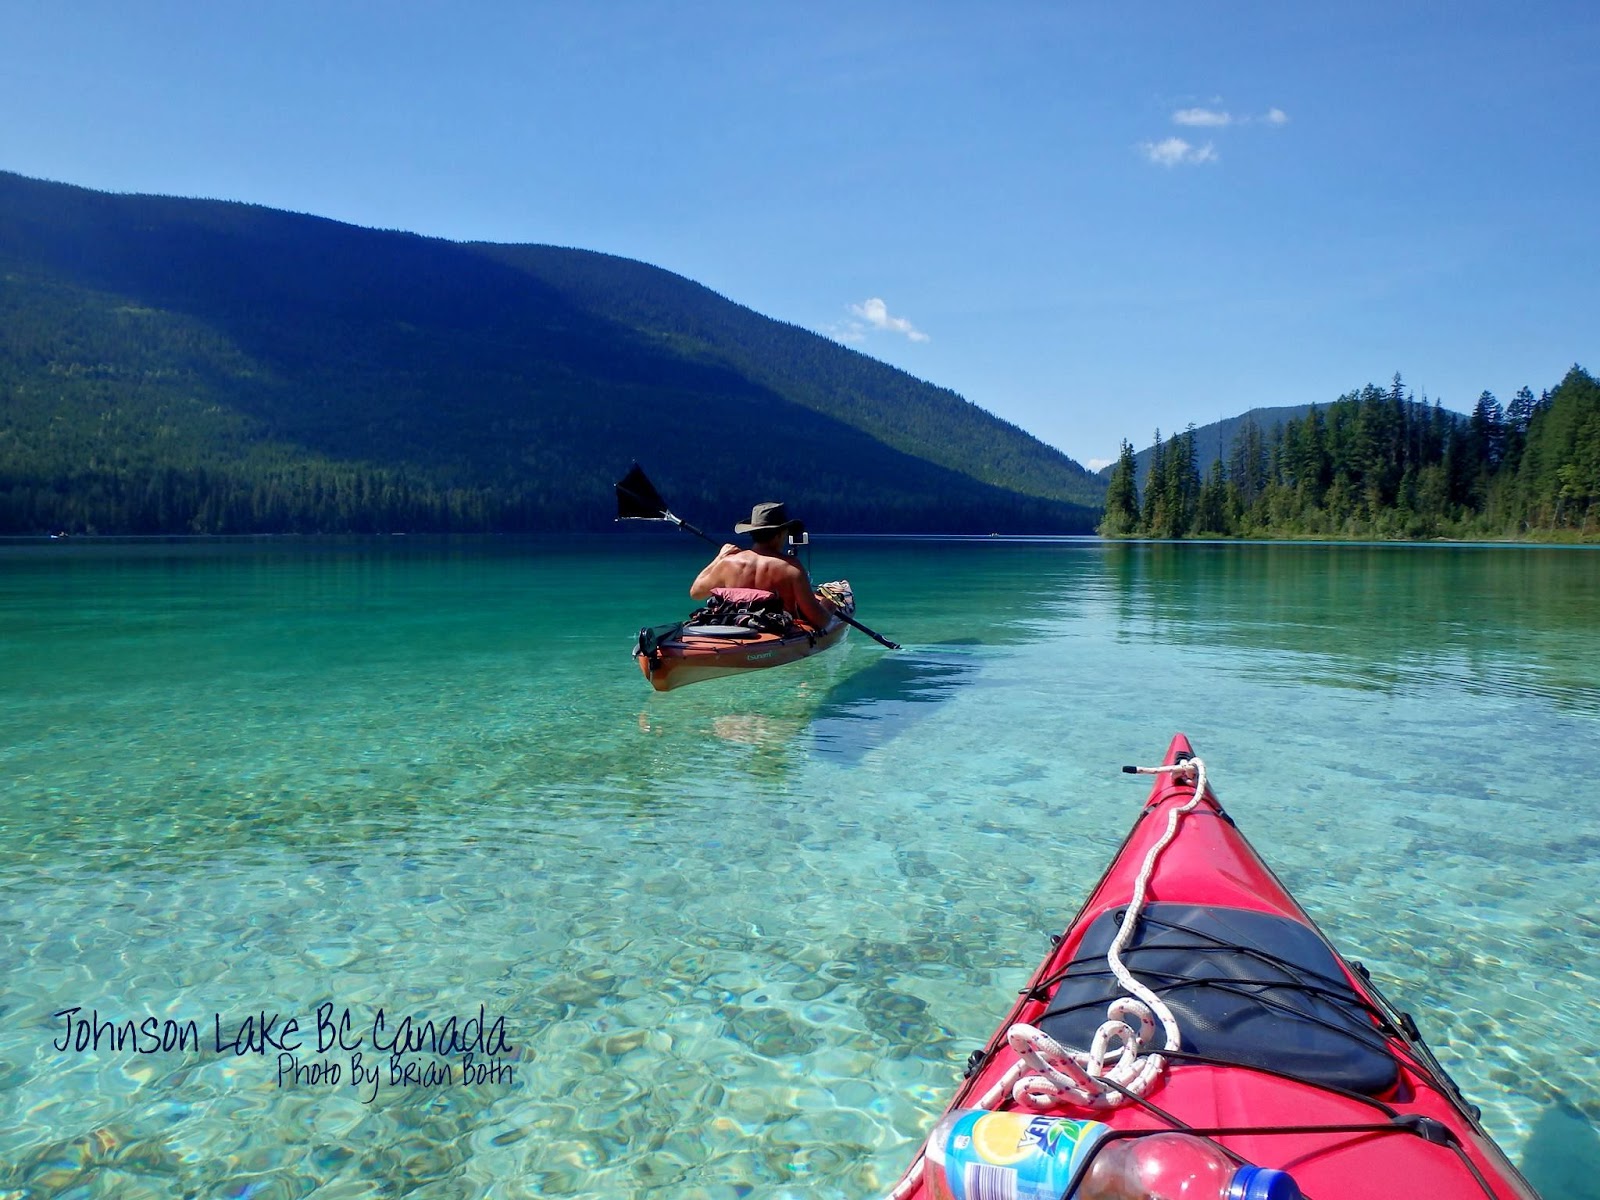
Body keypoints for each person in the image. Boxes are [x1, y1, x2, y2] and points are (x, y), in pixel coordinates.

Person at [690, 502, 835, 629]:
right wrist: (830, 606)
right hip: (776, 634)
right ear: (780, 534)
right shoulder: (791, 568)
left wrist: (719, 558)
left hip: (735, 628)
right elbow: (819, 620)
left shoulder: (728, 563)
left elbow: (696, 593)